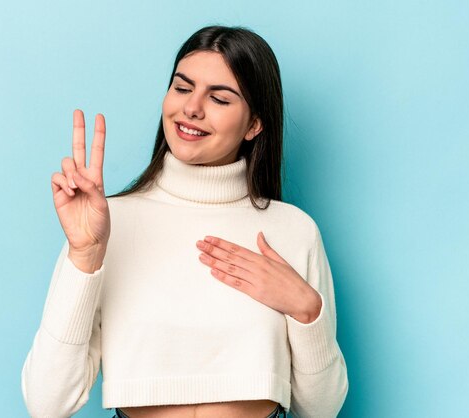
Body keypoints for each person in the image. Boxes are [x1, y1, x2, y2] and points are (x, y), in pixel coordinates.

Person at [21, 25, 348, 418]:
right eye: (182, 87)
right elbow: (47, 404)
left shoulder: (293, 231)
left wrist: (306, 309)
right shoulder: (106, 224)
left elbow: (322, 410)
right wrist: (85, 256)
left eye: (220, 98)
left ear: (254, 124)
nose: (192, 108)